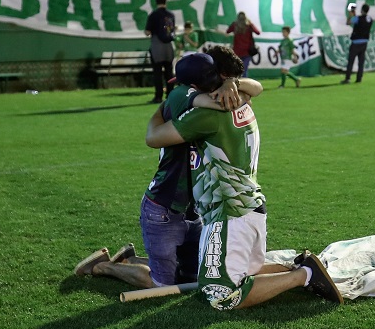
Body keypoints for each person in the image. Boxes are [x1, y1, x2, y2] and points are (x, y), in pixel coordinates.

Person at [144, 58, 344, 310]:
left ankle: (303, 275)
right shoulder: (242, 100)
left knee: (219, 295)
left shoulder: (206, 114)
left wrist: (162, 110)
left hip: (229, 213)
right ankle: (299, 266)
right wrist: (231, 83)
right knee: (245, 272)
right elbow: (254, 87)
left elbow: (153, 138)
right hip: (249, 206)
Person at [74, 50, 264, 289]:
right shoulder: (182, 94)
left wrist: (230, 83)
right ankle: (103, 266)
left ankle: (129, 258)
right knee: (161, 284)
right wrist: (228, 88)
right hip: (164, 205)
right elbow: (154, 137)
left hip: (192, 209)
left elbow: (253, 89)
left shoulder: (196, 93)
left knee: (193, 276)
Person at [145, 0, 176, 104]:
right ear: (166, 1)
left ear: (156, 2)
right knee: (169, 72)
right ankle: (171, 95)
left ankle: (158, 96)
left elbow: (147, 32)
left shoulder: (153, 15)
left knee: (157, 72)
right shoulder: (171, 15)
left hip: (157, 46)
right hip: (169, 46)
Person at [341, 3, 373, 85]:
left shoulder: (357, 18)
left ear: (362, 10)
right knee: (361, 62)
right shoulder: (370, 19)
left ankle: (347, 78)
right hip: (364, 42)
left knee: (351, 61)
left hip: (356, 42)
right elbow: (363, 21)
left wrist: (351, 14)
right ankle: (359, 78)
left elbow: (348, 22)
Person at [226, 12, 261, 78]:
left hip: (237, 51)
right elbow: (258, 32)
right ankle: (244, 85)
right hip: (247, 51)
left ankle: (238, 84)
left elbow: (228, 31)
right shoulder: (249, 25)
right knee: (244, 69)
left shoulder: (234, 25)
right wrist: (251, 24)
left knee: (238, 69)